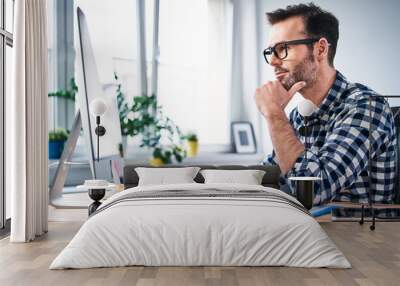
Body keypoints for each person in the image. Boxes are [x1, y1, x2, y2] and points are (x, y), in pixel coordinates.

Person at [255, 3, 396, 206]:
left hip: (358, 235)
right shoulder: (297, 116)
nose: (274, 61)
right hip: (309, 231)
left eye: (283, 48)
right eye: (270, 52)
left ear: (320, 49)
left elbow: (314, 192)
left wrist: (274, 114)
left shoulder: (367, 107)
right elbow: (269, 177)